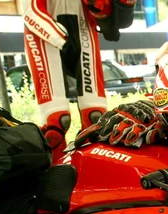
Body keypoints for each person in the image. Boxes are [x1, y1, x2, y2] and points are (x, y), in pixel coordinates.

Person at [21, 0, 136, 163]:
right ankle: (55, 175)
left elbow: (109, 12)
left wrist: (105, 15)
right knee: (56, 123)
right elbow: (30, 11)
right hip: (42, 33)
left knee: (96, 118)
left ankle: (92, 170)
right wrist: (60, 38)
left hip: (83, 26)